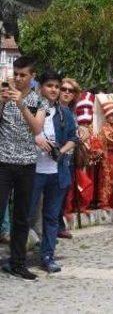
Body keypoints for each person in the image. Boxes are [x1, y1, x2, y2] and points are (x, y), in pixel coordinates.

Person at [0, 56, 46, 281]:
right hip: (3, 163)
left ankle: (17, 262)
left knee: (21, 217)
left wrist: (20, 104)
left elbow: (37, 128)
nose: (18, 79)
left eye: (23, 75)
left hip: (27, 164)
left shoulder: (39, 100)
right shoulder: (4, 95)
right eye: (15, 74)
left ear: (32, 77)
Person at [29, 69, 77, 273]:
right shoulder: (30, 109)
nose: (54, 90)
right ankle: (17, 255)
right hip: (33, 171)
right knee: (25, 214)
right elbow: (20, 135)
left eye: (57, 87)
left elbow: (73, 139)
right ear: (41, 88)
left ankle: (48, 255)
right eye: (50, 86)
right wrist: (36, 141)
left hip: (57, 172)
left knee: (51, 216)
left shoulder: (64, 113)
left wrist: (61, 151)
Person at [56, 77, 81, 239]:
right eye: (63, 89)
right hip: (55, 156)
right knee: (54, 193)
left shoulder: (73, 113)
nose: (66, 92)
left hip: (69, 158)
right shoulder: (52, 108)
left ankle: (58, 224)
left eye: (69, 90)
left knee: (64, 192)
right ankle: (55, 226)